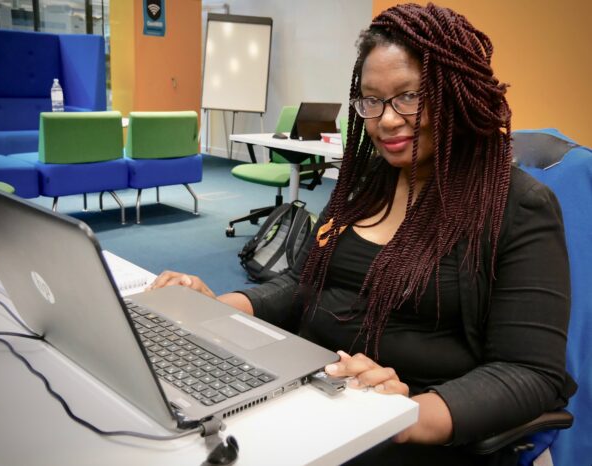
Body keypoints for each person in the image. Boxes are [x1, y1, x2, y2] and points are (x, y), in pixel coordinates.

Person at [150, 3, 576, 464]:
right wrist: (215, 307)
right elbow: (303, 284)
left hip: (408, 424)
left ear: (456, 92)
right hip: (310, 390)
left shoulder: (517, 207)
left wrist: (405, 414)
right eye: (371, 100)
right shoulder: (364, 182)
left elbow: (529, 372)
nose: (387, 119)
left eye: (410, 96)